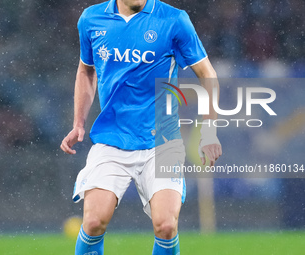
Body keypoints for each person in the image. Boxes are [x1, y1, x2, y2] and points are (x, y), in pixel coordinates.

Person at [60, 0, 222, 254]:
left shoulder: (174, 20)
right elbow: (86, 70)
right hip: (111, 140)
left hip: (162, 142)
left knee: (166, 226)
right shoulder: (91, 19)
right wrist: (78, 123)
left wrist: (209, 132)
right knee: (92, 222)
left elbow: (207, 74)